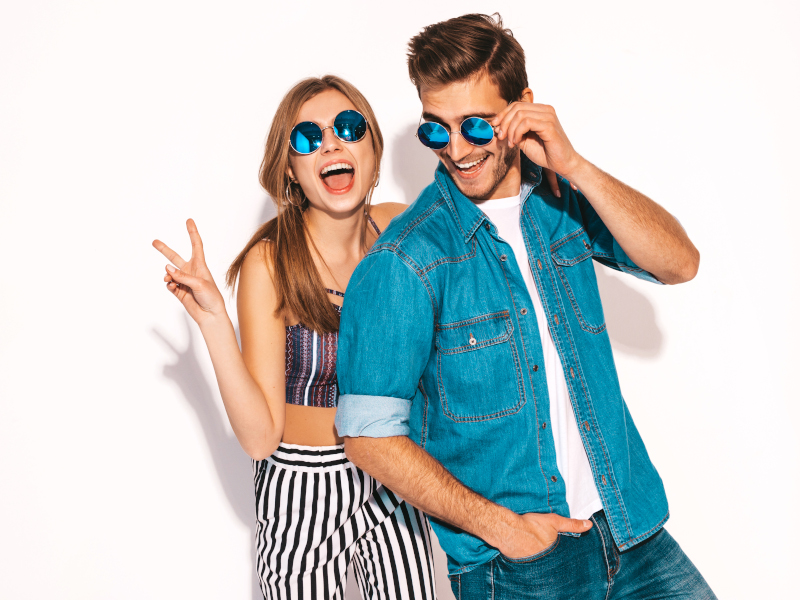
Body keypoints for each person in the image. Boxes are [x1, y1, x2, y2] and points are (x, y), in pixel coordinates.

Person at [335, 13, 716, 600]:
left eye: (476, 126)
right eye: (436, 131)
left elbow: (679, 263)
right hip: (520, 569)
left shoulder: (561, 203)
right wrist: (505, 531)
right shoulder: (404, 261)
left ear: (522, 108)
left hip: (631, 530)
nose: (456, 151)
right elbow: (366, 435)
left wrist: (576, 166)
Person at [152, 75, 437, 600]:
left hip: (392, 471)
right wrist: (215, 322)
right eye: (308, 137)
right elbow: (261, 438)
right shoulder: (270, 262)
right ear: (291, 168)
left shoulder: (401, 229)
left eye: (349, 128)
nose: (331, 143)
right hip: (302, 487)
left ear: (372, 148)